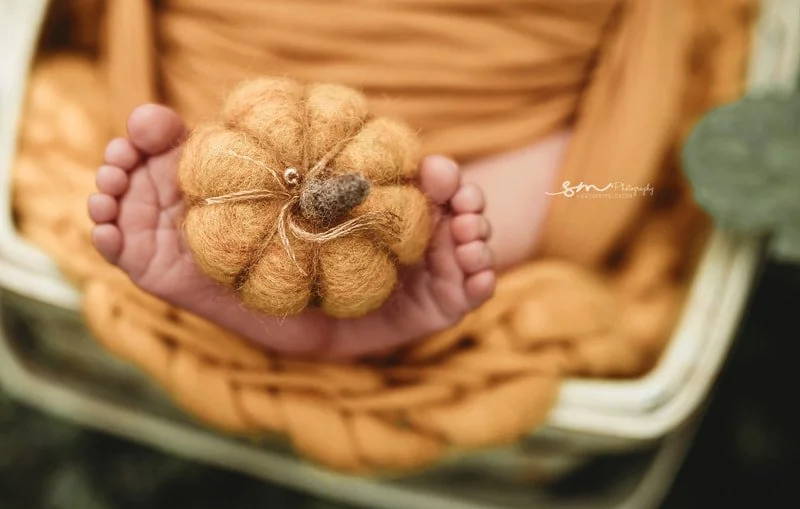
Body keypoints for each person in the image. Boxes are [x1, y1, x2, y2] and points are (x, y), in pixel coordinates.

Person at [87, 105, 570, 360]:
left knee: (569, 167)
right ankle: (202, 208)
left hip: (497, 111)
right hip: (246, 90)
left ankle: (418, 264)